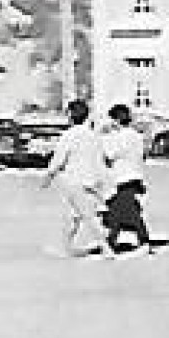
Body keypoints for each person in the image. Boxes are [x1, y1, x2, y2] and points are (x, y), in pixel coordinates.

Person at [40, 100, 108, 258]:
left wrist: (48, 177)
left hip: (75, 182)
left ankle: (107, 249)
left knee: (86, 217)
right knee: (75, 217)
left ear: (70, 115)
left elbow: (58, 160)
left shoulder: (69, 135)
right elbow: (100, 160)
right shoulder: (93, 136)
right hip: (92, 181)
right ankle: (66, 247)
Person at [100, 103, 161, 257]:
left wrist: (103, 137)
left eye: (112, 119)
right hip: (135, 178)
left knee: (125, 214)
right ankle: (112, 243)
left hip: (124, 179)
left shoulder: (121, 137)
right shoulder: (136, 136)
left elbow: (109, 155)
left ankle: (141, 242)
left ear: (116, 120)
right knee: (119, 214)